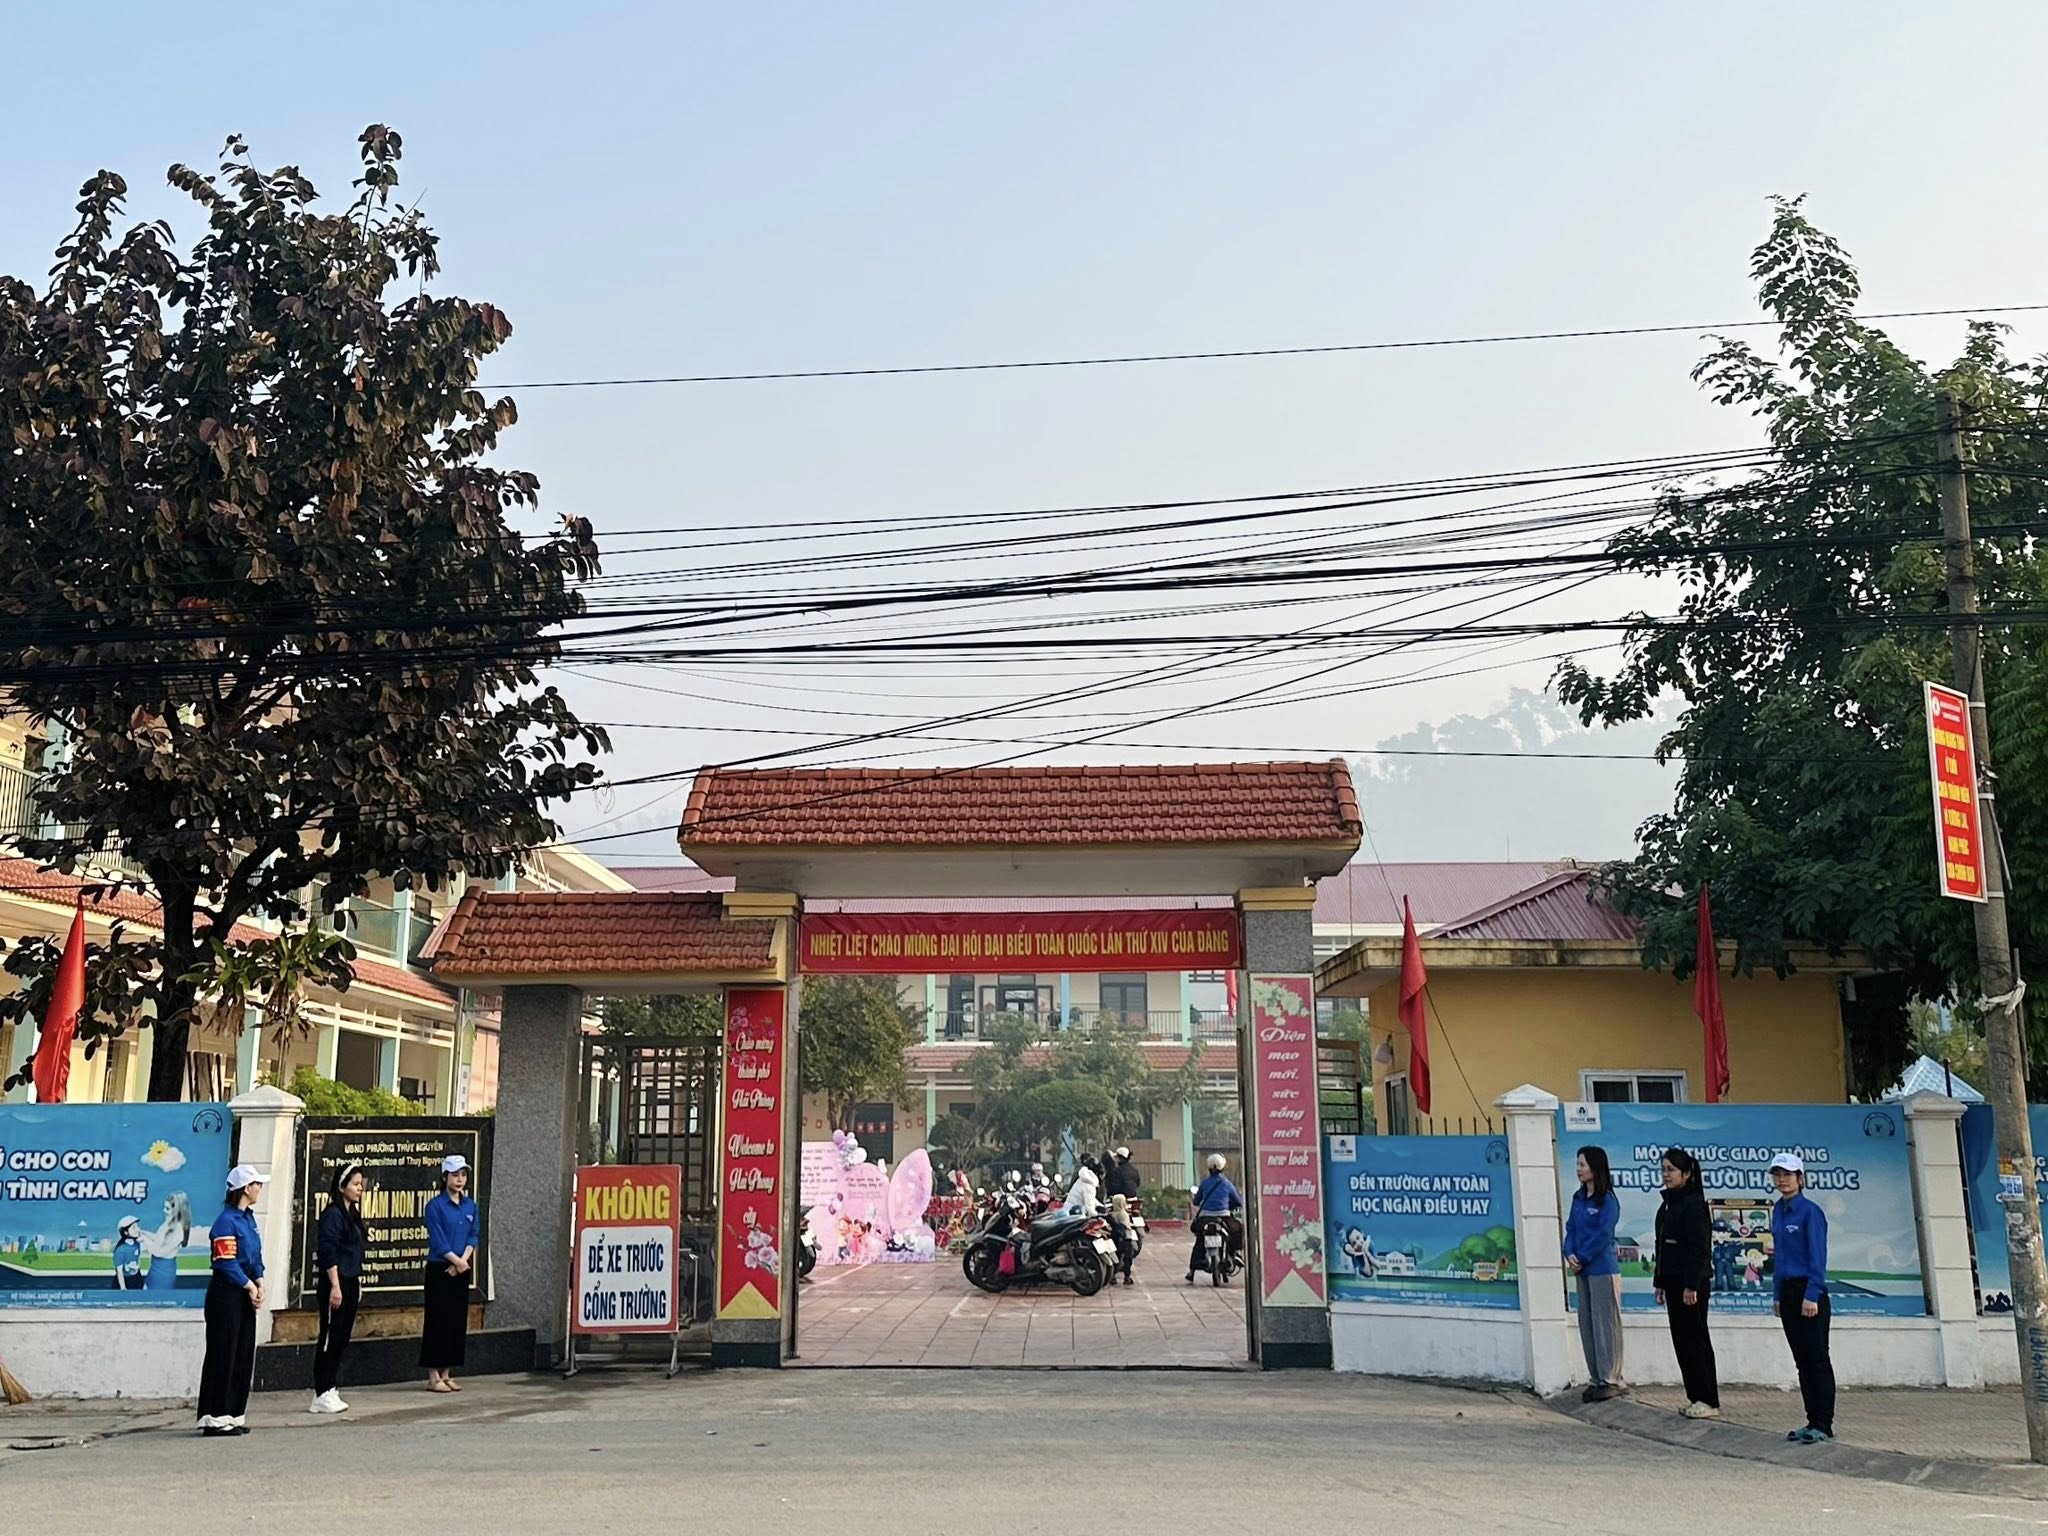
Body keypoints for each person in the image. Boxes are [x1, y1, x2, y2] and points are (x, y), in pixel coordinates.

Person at [1770, 1152, 1836, 1444]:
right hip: (1787, 1291)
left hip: (1809, 1292)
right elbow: (1780, 1257)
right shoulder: (1778, 1210)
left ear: (1800, 1178)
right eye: (1778, 1174)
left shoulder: (1810, 1212)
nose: (1782, 1180)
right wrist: (1777, 1294)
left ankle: (1824, 1423)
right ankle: (1811, 1420)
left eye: (1788, 1174)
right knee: (1802, 1361)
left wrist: (1812, 1295)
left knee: (1817, 1358)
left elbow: (1817, 1257)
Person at [196, 1165, 266, 1437]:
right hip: (227, 1293)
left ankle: (233, 1413)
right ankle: (215, 1415)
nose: (259, 1189)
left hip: (245, 1290)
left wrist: (259, 1281)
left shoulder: (248, 1219)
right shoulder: (226, 1221)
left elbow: (255, 1256)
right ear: (246, 1188)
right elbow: (225, 1261)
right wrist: (249, 1285)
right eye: (257, 1184)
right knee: (224, 1352)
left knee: (242, 1352)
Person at [1653, 1147, 1719, 1419]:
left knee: (1695, 1340)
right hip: (1672, 1283)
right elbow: (1662, 1248)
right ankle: (1695, 1396)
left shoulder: (1694, 1205)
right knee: (1682, 1341)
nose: (1666, 1174)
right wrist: (1659, 1282)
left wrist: (1692, 1284)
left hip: (1691, 1286)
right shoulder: (1667, 1205)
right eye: (1663, 1169)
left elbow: (1700, 1249)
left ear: (1687, 1173)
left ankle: (1708, 1399)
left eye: (1671, 1170)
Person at [1564, 1145, 1624, 1402]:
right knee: (1587, 1323)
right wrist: (1569, 1253)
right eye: (1577, 1164)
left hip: (1601, 1269)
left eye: (1583, 1164)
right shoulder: (1578, 1199)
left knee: (1605, 1324)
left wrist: (1583, 1256)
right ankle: (1596, 1377)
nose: (1578, 1169)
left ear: (1595, 1168)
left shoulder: (1607, 1200)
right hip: (1582, 1270)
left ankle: (1611, 1378)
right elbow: (1571, 1228)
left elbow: (1603, 1234)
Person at [420, 1153, 480, 1393]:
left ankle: (447, 1373)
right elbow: (438, 1240)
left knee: (455, 1321)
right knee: (437, 1320)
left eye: (463, 1175)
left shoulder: (470, 1205)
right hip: (440, 1268)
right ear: (445, 1177)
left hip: (461, 1267)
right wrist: (455, 1261)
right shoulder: (435, 1206)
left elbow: (473, 1235)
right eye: (455, 1175)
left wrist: (463, 1261)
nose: (460, 1179)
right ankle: (433, 1375)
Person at [311, 1161, 367, 1415]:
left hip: (350, 1280)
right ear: (342, 1186)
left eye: (361, 1184)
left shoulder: (352, 1214)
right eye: (355, 1184)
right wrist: (335, 1285)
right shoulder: (333, 1215)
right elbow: (328, 1251)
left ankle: (331, 1386)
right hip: (336, 1282)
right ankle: (322, 1390)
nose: (360, 1189)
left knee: (342, 1337)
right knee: (330, 1335)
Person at [1186, 1154, 1244, 1283]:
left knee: (1200, 1240)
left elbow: (1196, 1201)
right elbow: (1238, 1201)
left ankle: (1192, 1270)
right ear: (1223, 1167)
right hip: (1224, 1217)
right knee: (1237, 1230)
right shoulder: (1227, 1184)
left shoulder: (1205, 1183)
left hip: (1205, 1218)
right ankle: (1235, 1254)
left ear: (1208, 1168)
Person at [1103, 1147, 1142, 1286]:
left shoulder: (1115, 1172)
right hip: (1132, 1200)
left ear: (1119, 1158)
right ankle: (1126, 1275)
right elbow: (1138, 1183)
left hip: (1118, 1201)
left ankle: (1114, 1275)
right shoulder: (1134, 1170)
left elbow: (1111, 1188)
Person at [112, 1217, 143, 1290]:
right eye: (134, 1227)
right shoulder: (120, 1250)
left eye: (137, 1226)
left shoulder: (137, 1244)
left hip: (136, 1278)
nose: (138, 1229)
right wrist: (123, 1288)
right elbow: (119, 1272)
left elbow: (137, 1259)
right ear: (125, 1232)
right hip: (125, 1280)